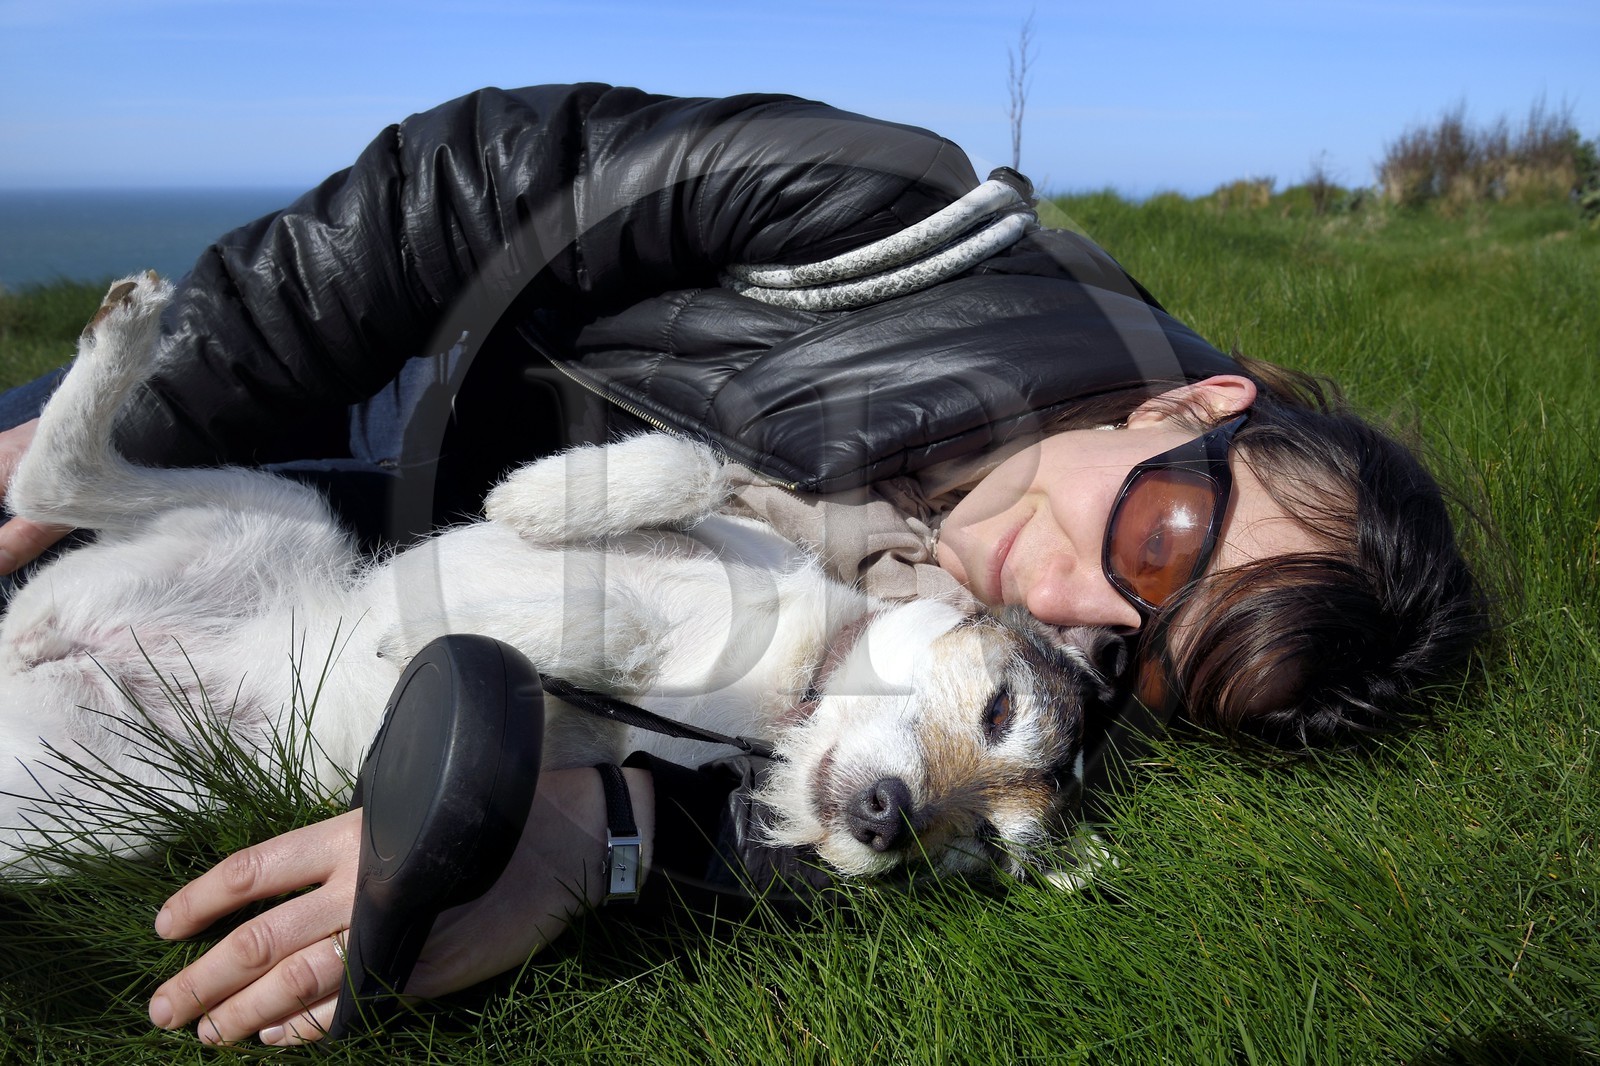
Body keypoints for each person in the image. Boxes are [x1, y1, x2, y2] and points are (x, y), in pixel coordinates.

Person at [0, 83, 1487, 1046]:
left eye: (1143, 650)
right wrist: (158, 411)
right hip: (307, 410)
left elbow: (904, 815)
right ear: (1192, 406)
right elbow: (458, 192)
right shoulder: (896, 217)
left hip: (331, 635)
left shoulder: (1038, 685)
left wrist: (606, 836)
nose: (1071, 607)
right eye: (1161, 534)